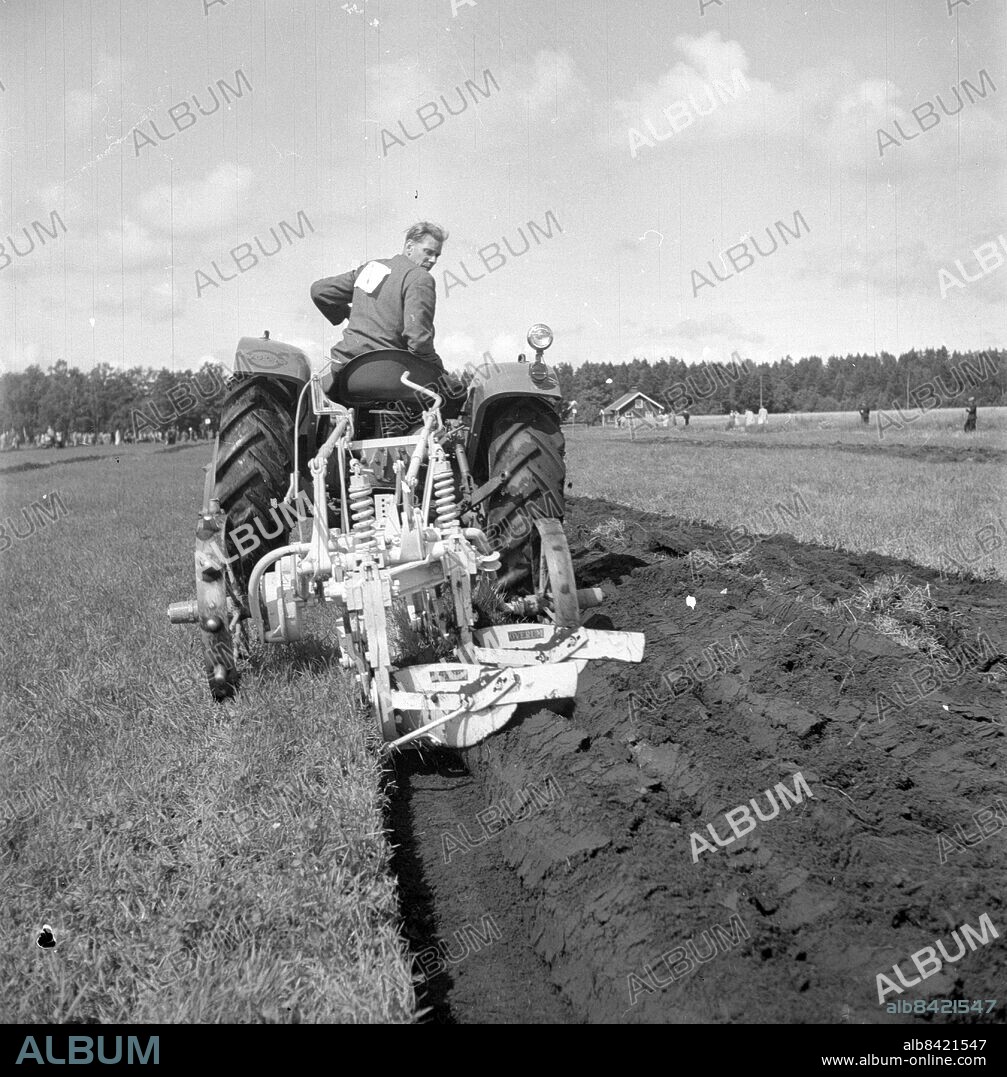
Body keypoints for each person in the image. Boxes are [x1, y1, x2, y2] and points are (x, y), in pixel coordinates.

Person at [311, 222, 448, 391]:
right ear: (409, 247)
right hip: (391, 375)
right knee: (455, 394)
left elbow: (320, 291)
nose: (433, 260)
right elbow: (418, 340)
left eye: (437, 255)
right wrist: (440, 369)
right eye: (428, 252)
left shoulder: (371, 269)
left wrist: (347, 313)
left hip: (347, 373)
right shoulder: (420, 277)